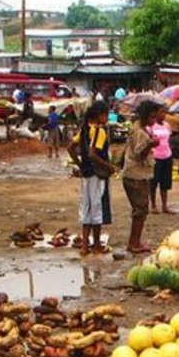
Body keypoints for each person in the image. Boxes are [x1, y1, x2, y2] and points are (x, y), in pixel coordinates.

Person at [68, 101, 114, 255]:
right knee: (97, 208)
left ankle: (85, 246)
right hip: (97, 175)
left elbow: (70, 148)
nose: (107, 117)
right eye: (106, 114)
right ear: (99, 115)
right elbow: (93, 154)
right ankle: (96, 245)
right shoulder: (99, 132)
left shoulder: (84, 130)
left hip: (86, 174)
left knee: (86, 208)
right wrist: (109, 167)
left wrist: (81, 165)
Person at [122, 100, 161, 254]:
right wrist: (150, 145)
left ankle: (135, 241)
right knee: (140, 211)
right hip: (136, 176)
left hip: (136, 174)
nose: (153, 120)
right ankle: (134, 243)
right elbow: (139, 154)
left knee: (140, 210)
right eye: (151, 117)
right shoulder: (139, 131)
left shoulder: (140, 128)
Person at [149, 105, 174, 214]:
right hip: (155, 157)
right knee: (153, 182)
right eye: (161, 112)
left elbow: (170, 139)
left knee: (165, 182)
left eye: (165, 113)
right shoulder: (151, 126)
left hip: (167, 156)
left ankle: (164, 205)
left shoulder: (167, 125)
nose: (163, 115)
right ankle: (153, 204)